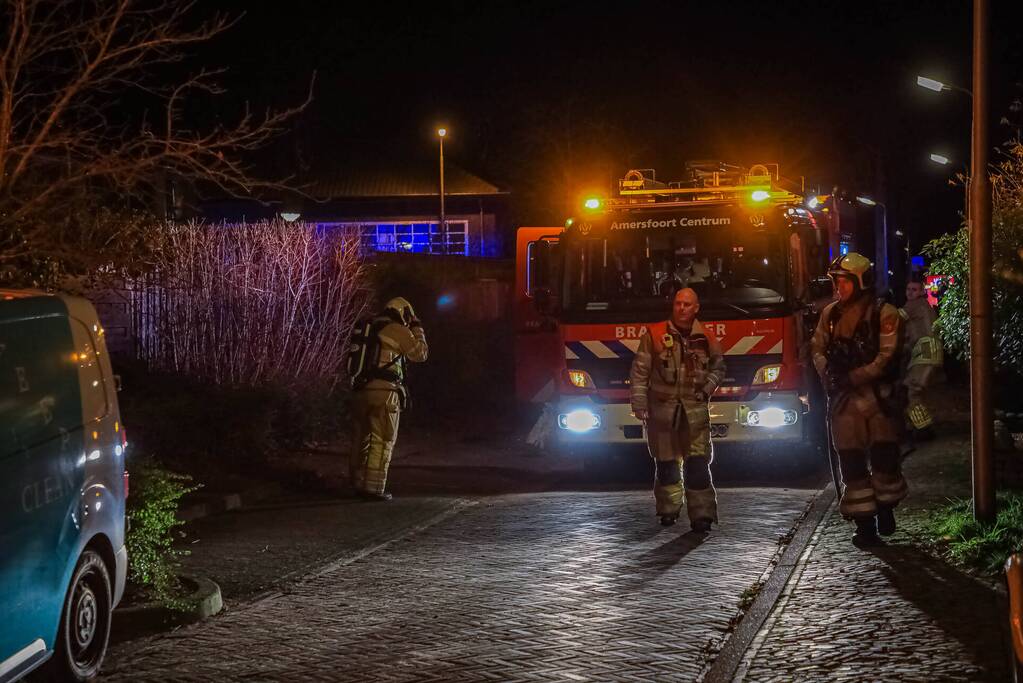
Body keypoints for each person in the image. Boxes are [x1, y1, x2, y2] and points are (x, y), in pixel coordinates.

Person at [812, 253, 907, 546]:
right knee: (851, 465)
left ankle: (885, 509)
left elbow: (887, 358)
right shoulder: (830, 315)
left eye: (842, 282)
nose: (838, 287)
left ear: (860, 281)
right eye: (835, 282)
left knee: (884, 461)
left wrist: (854, 376)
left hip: (879, 402)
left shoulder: (885, 313)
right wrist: (829, 371)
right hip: (844, 405)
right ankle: (864, 525)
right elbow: (816, 348)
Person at [629, 288, 726, 531]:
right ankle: (668, 510)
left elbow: (718, 368)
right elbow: (640, 372)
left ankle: (702, 515)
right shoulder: (655, 335)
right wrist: (640, 405)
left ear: (696, 308)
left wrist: (706, 391)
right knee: (666, 464)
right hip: (663, 413)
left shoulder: (706, 337)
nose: (681, 308)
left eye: (686, 304)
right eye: (678, 304)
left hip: (694, 414)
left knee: (698, 465)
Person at [349, 297, 428, 501]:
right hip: (384, 392)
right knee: (382, 439)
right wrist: (418, 329)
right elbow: (420, 354)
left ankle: (356, 483)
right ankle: (373, 488)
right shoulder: (397, 330)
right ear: (403, 313)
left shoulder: (371, 327)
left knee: (362, 438)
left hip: (361, 391)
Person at [900, 278, 942, 441]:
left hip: (925, 352)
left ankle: (924, 429)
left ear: (922, 292)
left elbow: (893, 319)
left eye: (914, 289)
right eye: (908, 289)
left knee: (912, 391)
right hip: (927, 352)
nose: (910, 292)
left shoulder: (913, 305)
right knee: (917, 392)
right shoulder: (925, 306)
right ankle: (920, 426)